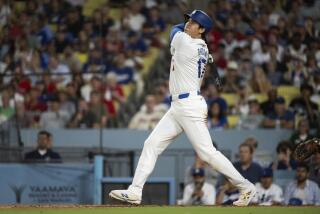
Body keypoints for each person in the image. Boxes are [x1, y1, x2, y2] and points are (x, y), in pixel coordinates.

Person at [109, 10, 256, 206]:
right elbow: (184, 32)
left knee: (207, 153)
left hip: (189, 106)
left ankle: (246, 187)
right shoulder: (199, 44)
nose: (188, 24)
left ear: (202, 29)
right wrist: (198, 33)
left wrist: (187, 30)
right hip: (178, 106)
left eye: (194, 23)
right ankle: (135, 191)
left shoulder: (185, 42)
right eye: (189, 21)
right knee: (151, 144)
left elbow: (173, 29)